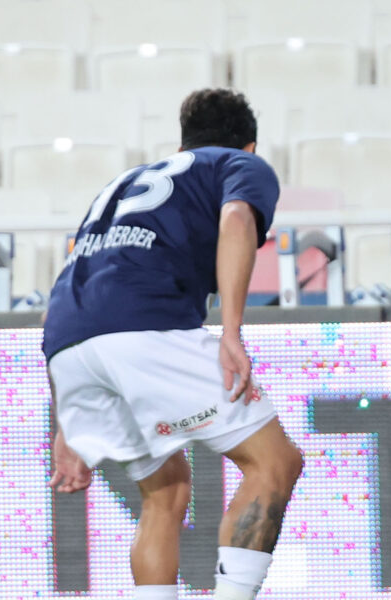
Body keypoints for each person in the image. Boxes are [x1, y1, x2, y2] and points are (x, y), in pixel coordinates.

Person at [43, 88, 303, 600]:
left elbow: (69, 292)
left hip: (68, 343)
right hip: (145, 326)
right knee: (275, 463)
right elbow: (237, 220)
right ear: (250, 145)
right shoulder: (239, 164)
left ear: (182, 144)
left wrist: (67, 420)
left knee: (165, 489)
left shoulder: (121, 183)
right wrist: (231, 331)